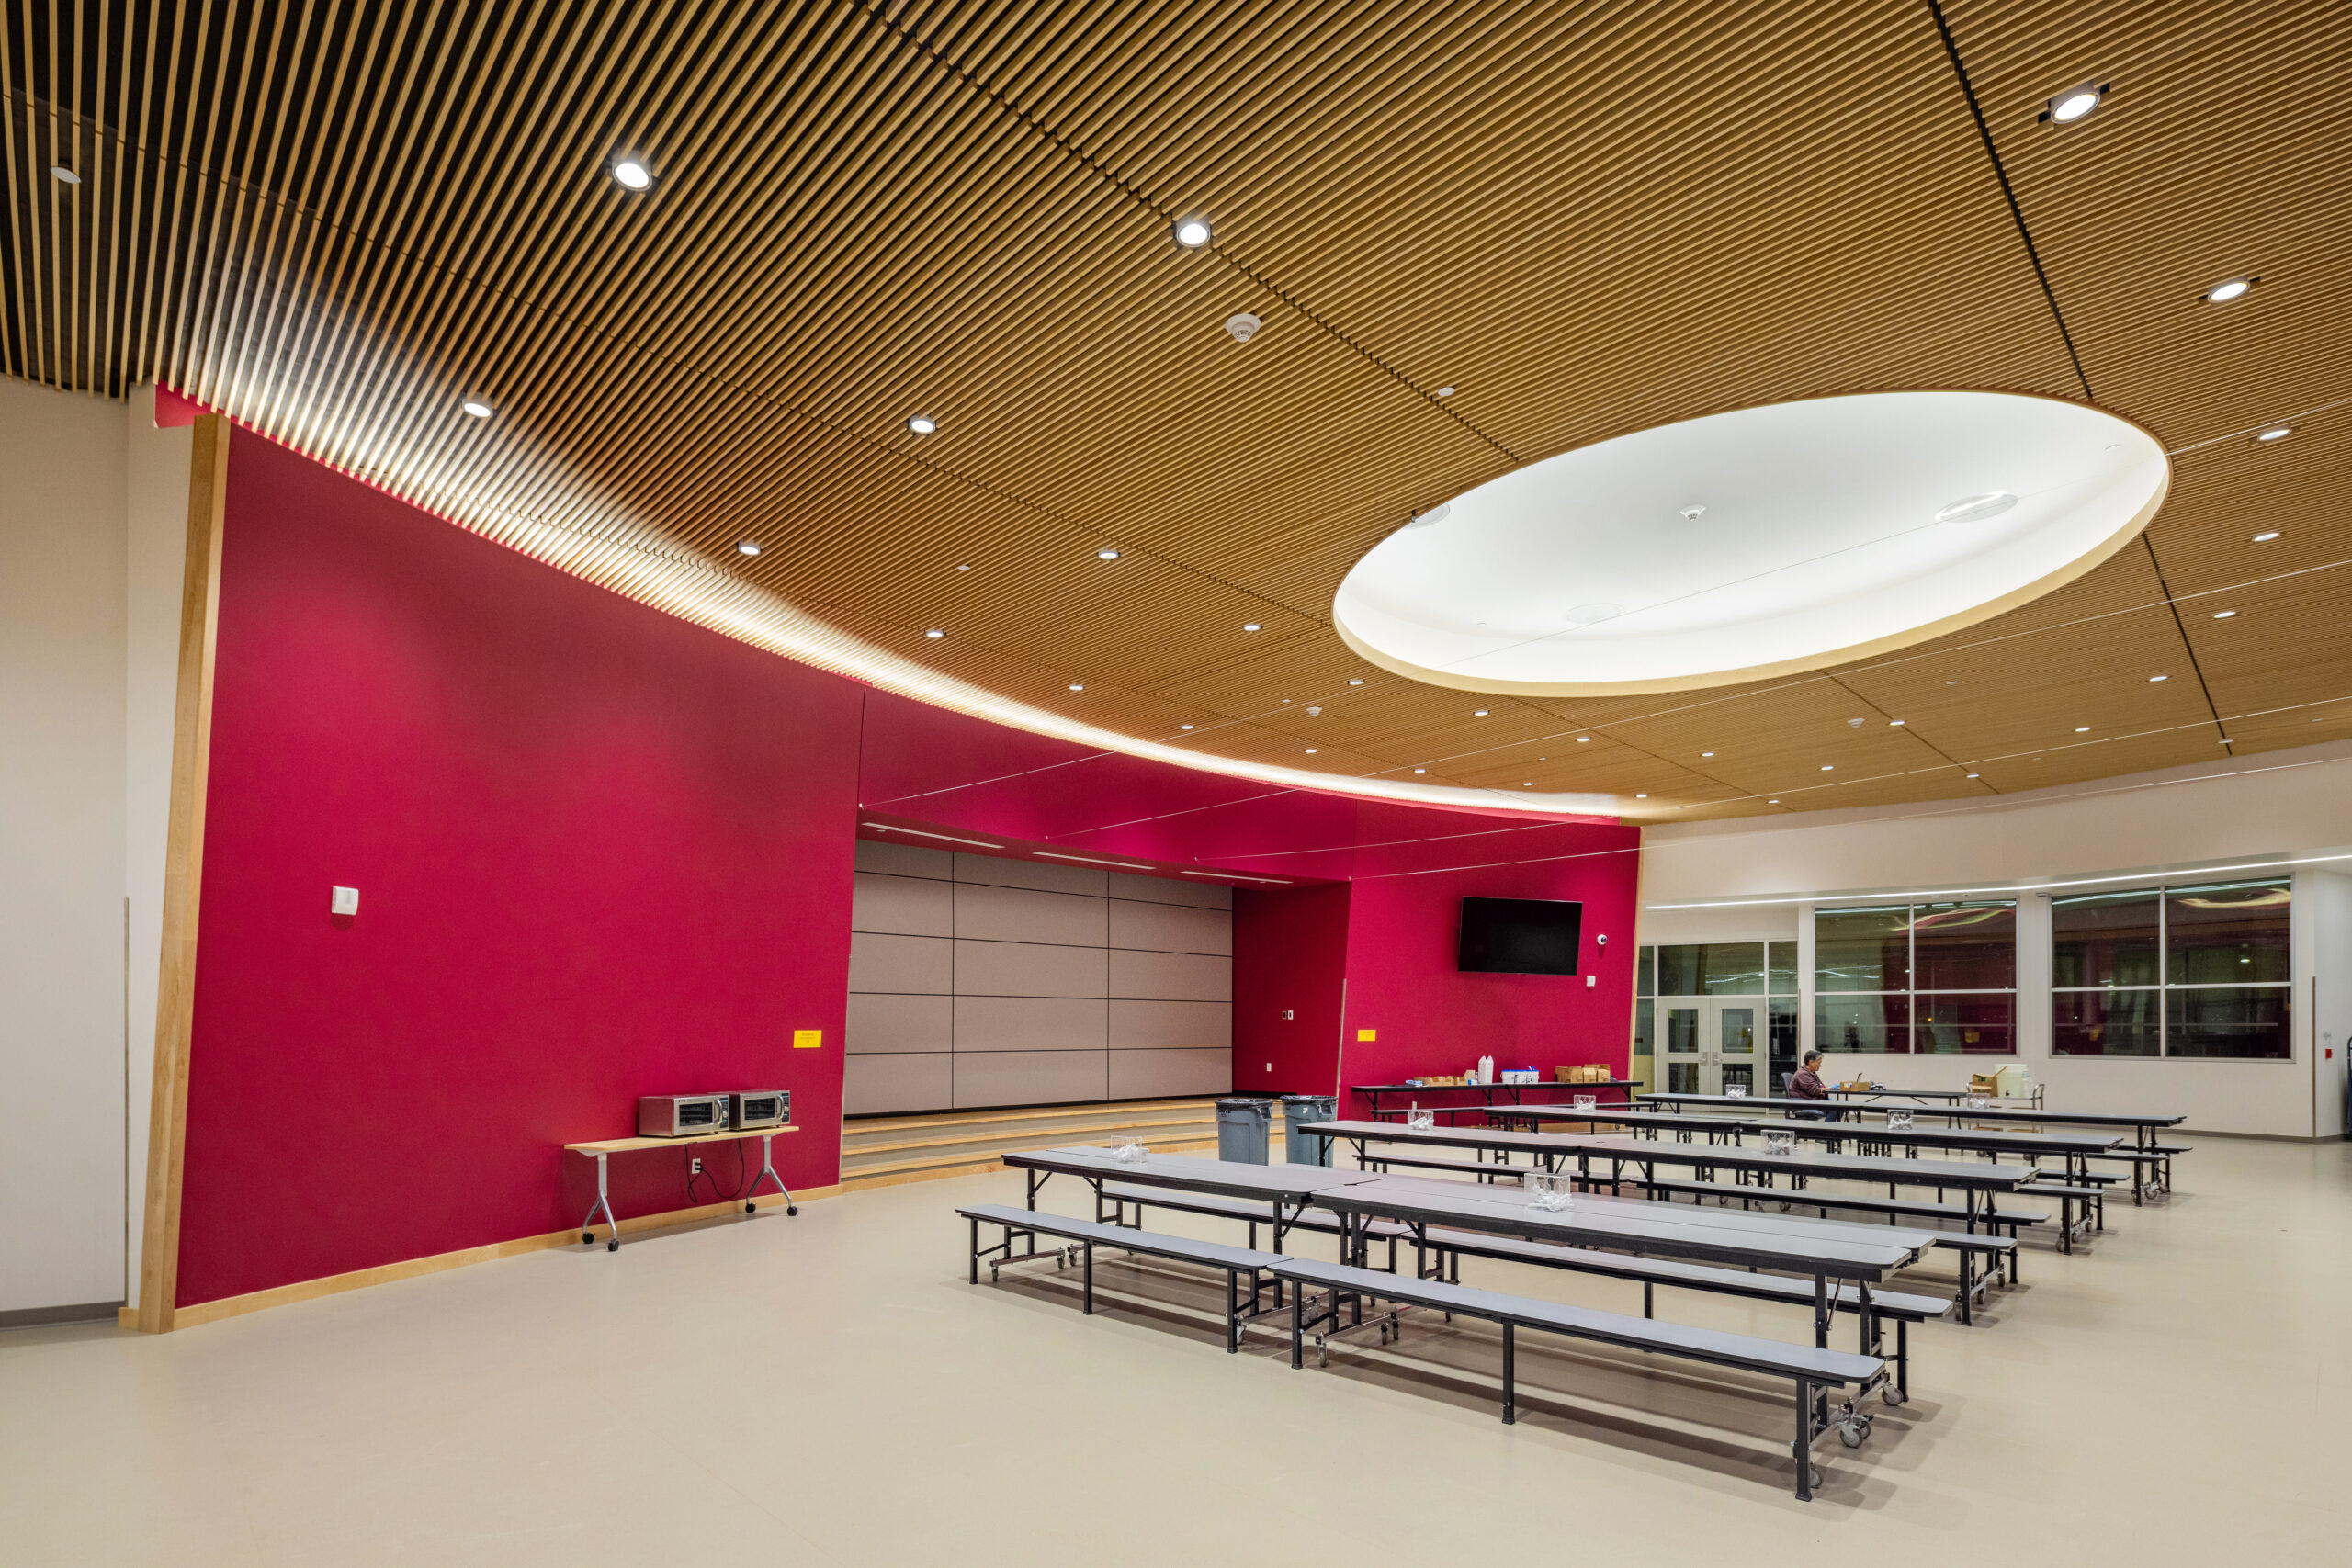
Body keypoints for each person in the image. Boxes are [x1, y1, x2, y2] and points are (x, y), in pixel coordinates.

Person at [1787, 1049, 1843, 1122]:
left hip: (1810, 1100)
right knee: (1835, 1108)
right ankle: (1827, 1128)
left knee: (1840, 1107)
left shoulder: (1810, 1073)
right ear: (1811, 1062)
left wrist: (1827, 1092)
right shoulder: (1803, 1074)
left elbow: (1819, 1087)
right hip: (1804, 1103)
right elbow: (1816, 1090)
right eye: (1819, 1063)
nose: (1820, 1065)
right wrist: (1831, 1088)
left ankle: (1830, 1127)